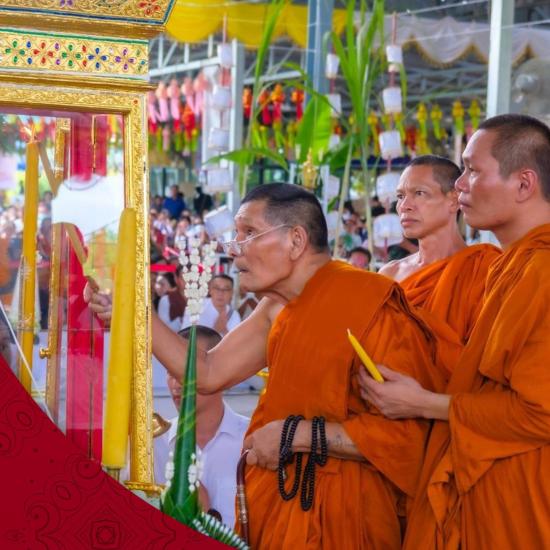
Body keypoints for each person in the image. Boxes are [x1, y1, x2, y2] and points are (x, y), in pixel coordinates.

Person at [87, 183, 446, 549]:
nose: (234, 249)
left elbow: (408, 439)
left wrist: (297, 435)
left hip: (349, 516)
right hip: (283, 507)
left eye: (249, 233)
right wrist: (131, 311)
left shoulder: (370, 304)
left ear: (295, 240)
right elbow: (206, 373)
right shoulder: (276, 308)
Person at [359, 114, 550, 549]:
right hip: (486, 486)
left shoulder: (541, 270)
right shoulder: (512, 267)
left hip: (522, 498)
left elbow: (541, 412)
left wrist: (423, 403)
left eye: (472, 170)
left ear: (524, 184)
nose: (460, 185)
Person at [380, 155, 501, 344]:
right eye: (400, 196)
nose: (404, 206)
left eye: (419, 193)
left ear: (454, 200)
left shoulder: (486, 270)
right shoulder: (390, 274)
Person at [155, 325, 249, 528]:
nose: (177, 384)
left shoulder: (252, 440)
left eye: (187, 371)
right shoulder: (152, 445)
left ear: (222, 373)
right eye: (171, 372)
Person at [157, 265, 187, 332]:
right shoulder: (166, 300)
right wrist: (182, 320)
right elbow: (163, 330)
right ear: (176, 279)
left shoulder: (203, 300)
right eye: (184, 277)